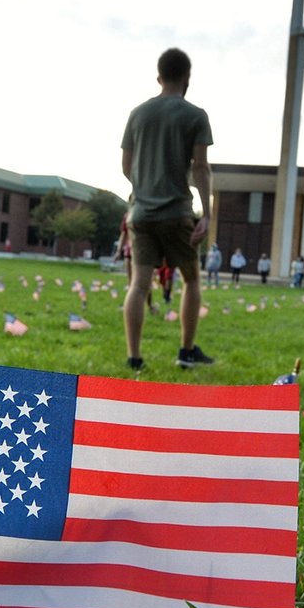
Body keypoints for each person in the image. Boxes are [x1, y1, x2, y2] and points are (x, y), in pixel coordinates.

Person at [121, 47, 213, 370]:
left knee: (139, 284)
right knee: (191, 280)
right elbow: (200, 168)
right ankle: (186, 352)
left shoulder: (138, 114)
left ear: (159, 77)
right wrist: (207, 214)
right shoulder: (195, 116)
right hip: (176, 213)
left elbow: (126, 166)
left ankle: (135, 359)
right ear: (187, 78)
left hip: (142, 214)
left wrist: (145, 190)